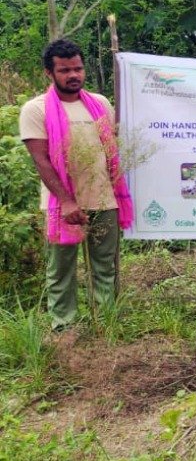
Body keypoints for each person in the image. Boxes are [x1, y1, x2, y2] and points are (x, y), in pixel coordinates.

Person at [19, 39, 134, 331]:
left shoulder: (100, 104)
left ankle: (106, 324)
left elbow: (111, 152)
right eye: (64, 70)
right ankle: (65, 328)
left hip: (104, 201)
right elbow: (41, 160)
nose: (73, 75)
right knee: (62, 270)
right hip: (63, 204)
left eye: (78, 69)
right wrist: (67, 200)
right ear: (49, 73)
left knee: (105, 267)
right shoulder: (36, 109)